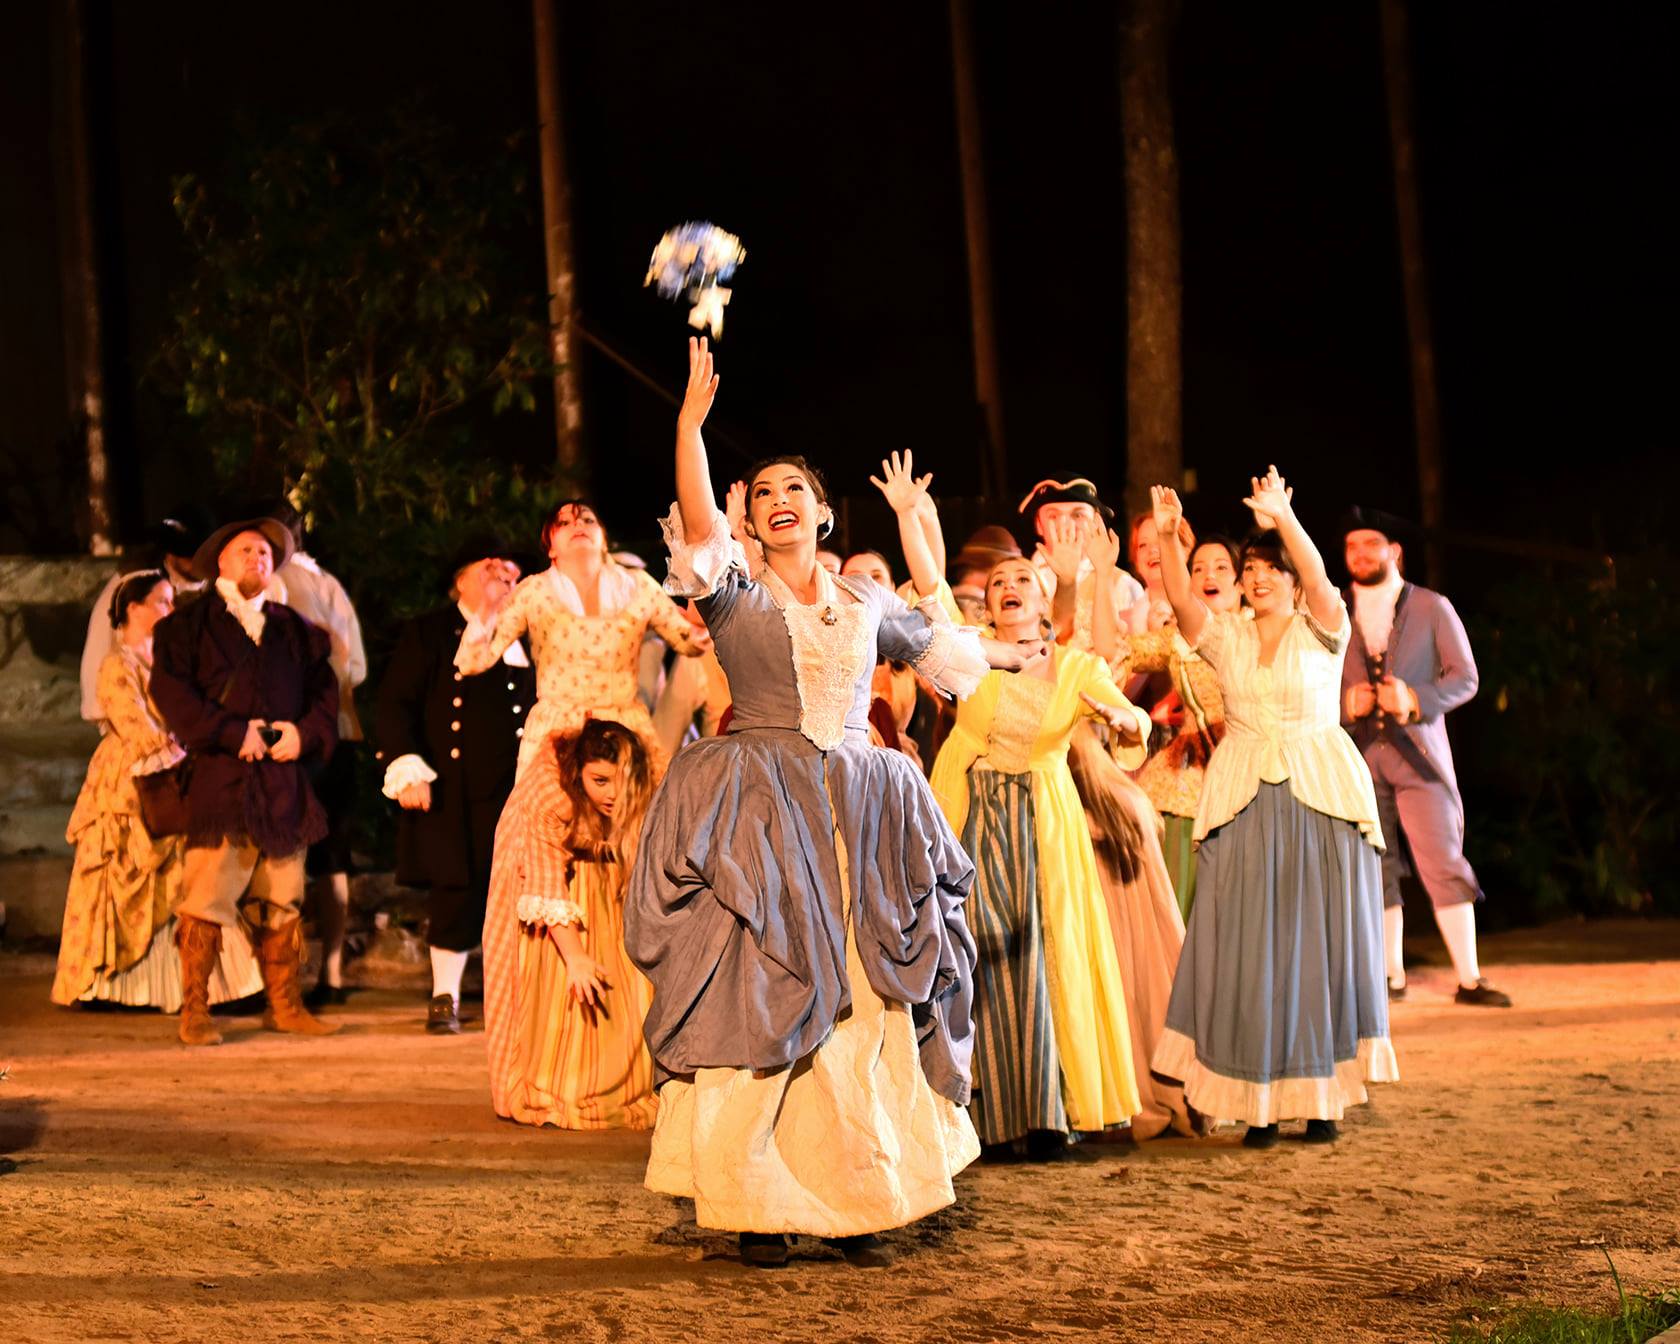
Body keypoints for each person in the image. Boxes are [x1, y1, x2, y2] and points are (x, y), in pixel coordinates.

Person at [628, 338, 1040, 1269]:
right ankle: (760, 1201)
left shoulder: (864, 600)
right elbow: (699, 523)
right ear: (750, 516)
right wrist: (690, 427)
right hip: (763, 809)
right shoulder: (730, 592)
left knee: (864, 991)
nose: (779, 502)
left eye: (795, 492)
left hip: (861, 807)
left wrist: (1018, 656)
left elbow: (952, 657)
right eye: (763, 492)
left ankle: (866, 1194)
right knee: (768, 986)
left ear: (821, 512)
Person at [1152, 470, 1397, 1147]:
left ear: (1292, 581)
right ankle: (1253, 1101)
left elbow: (1321, 577)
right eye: (1251, 569)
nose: (1258, 578)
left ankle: (1320, 1101)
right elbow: (1178, 597)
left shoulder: (1324, 628)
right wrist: (1171, 533)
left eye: (1270, 570)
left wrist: (1284, 518)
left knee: (1313, 950)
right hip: (1242, 803)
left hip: (1318, 801)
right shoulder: (1226, 635)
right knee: (1247, 953)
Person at [929, 552, 1166, 1152]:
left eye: (1022, 582)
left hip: (1046, 821)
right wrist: (912, 513)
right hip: (976, 807)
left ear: (1043, 602)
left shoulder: (1078, 665)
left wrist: (1125, 719)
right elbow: (931, 588)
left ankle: (1048, 1112)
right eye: (998, 583)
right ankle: (991, 1113)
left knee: (1047, 957)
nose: (1009, 589)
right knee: (983, 958)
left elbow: (1133, 717)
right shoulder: (971, 650)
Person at [150, 513, 341, 1046]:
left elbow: (326, 699)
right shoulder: (185, 628)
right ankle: (196, 1012)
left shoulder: (299, 632)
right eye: (244, 551)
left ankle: (285, 1005)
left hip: (284, 785)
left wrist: (303, 736)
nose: (256, 559)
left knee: (283, 899)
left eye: (264, 552)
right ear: (219, 563)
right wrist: (234, 733)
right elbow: (172, 696)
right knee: (205, 899)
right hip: (222, 783)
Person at [52, 571, 262, 1010]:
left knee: (193, 871)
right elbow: (137, 729)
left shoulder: (166, 660)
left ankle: (210, 984)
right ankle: (114, 984)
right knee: (130, 868)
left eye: (170, 602)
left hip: (175, 766)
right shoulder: (116, 665)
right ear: (133, 609)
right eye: (162, 603)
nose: (169, 611)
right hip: (131, 781)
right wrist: (182, 750)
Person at [1342, 513, 1509, 1007]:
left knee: (1442, 859)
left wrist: (1414, 698)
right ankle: (1391, 976)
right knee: (1375, 865)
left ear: (1394, 550)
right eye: (1352, 546)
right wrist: (1343, 705)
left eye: (1371, 544)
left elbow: (1466, 679)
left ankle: (1470, 978)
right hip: (1359, 758)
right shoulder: (1332, 609)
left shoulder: (1432, 606)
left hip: (1420, 759)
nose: (1361, 554)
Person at [374, 535, 535, 1033]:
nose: (503, 576)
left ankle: (519, 1000)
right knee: (455, 891)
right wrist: (405, 763)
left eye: (510, 571)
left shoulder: (530, 632)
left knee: (525, 891)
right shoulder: (429, 633)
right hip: (453, 786)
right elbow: (394, 703)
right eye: (489, 568)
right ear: (459, 581)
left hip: (521, 783)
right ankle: (445, 997)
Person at [483, 720, 658, 1129]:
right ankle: (563, 1080)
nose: (613, 793)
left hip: (607, 878)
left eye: (621, 781)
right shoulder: (550, 794)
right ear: (579, 773)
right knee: (563, 979)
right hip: (548, 884)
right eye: (599, 780)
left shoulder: (644, 784)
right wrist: (577, 957)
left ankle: (629, 1079)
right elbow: (543, 880)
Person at [455, 500, 709, 779]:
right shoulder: (534, 591)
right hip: (555, 739)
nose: (578, 525)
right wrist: (487, 606)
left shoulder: (637, 585)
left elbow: (691, 643)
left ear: (603, 540)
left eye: (587, 520)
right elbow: (471, 662)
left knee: (631, 818)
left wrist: (700, 605)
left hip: (622, 732)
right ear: (550, 547)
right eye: (564, 523)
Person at [273, 510, 368, 1010]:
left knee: (286, 856)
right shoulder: (328, 583)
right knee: (333, 857)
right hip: (341, 731)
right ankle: (330, 971)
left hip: (294, 736)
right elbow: (358, 667)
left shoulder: (270, 581)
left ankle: (280, 979)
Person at [1122, 536, 1242, 916]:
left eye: (1222, 567)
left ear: (1241, 583)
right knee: (1180, 902)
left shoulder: (1256, 634)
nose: (1209, 575)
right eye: (1199, 568)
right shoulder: (1180, 640)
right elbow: (1123, 652)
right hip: (1187, 776)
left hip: (1247, 773)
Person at [79, 515, 208, 728]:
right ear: (171, 554)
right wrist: (99, 709)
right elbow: (101, 640)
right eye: (189, 555)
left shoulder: (212, 581)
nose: (195, 563)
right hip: (135, 703)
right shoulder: (136, 582)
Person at [1019, 476, 1148, 651]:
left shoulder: (1122, 584)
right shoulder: (1016, 582)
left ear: (1096, 522)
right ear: (1038, 524)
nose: (1065, 524)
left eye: (1078, 514)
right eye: (1053, 515)